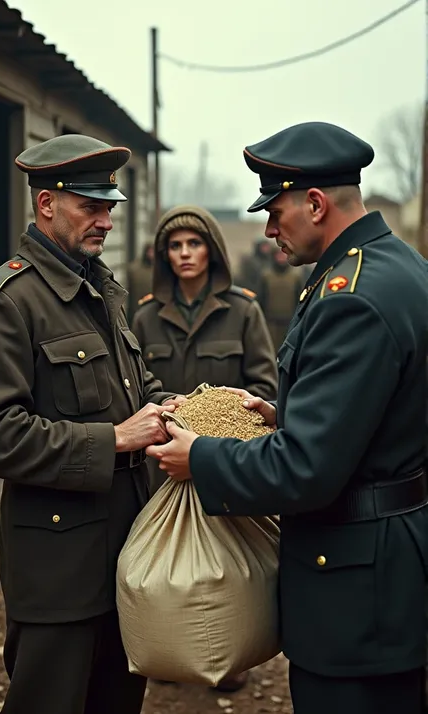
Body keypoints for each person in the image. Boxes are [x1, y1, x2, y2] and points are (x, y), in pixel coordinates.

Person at [146, 121, 428, 714]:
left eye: (275, 212)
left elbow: (307, 469)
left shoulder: (349, 297)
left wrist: (199, 456)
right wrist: (285, 413)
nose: (270, 229)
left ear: (317, 204)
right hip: (387, 570)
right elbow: (385, 411)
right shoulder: (396, 265)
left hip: (357, 589)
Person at [0, 134, 183, 714]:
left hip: (126, 554)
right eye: (92, 206)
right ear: (46, 204)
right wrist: (114, 439)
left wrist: (187, 409)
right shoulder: (7, 302)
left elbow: (131, 388)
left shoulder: (100, 288)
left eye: (110, 207)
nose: (106, 221)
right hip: (58, 569)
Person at [132, 204, 278, 692]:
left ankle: (229, 654)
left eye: (194, 244)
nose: (184, 254)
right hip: (165, 460)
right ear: (163, 254)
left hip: (223, 459)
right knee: (172, 559)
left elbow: (262, 384)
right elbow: (141, 387)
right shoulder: (147, 314)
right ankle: (170, 646)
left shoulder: (243, 309)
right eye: (175, 246)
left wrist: (226, 430)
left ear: (212, 251)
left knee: (225, 559)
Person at [259, 244, 306, 351]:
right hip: (270, 323)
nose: (281, 257)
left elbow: (300, 300)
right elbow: (262, 299)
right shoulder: (266, 276)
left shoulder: (295, 277)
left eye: (283, 255)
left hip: (289, 323)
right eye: (278, 255)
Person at [236, 236, 274, 302]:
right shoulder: (250, 262)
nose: (266, 249)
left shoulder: (271, 261)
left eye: (267, 246)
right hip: (253, 293)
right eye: (264, 246)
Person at [126, 241, 154, 322]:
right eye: (149, 251)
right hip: (137, 307)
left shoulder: (159, 270)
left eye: (153, 251)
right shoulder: (134, 270)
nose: (151, 254)